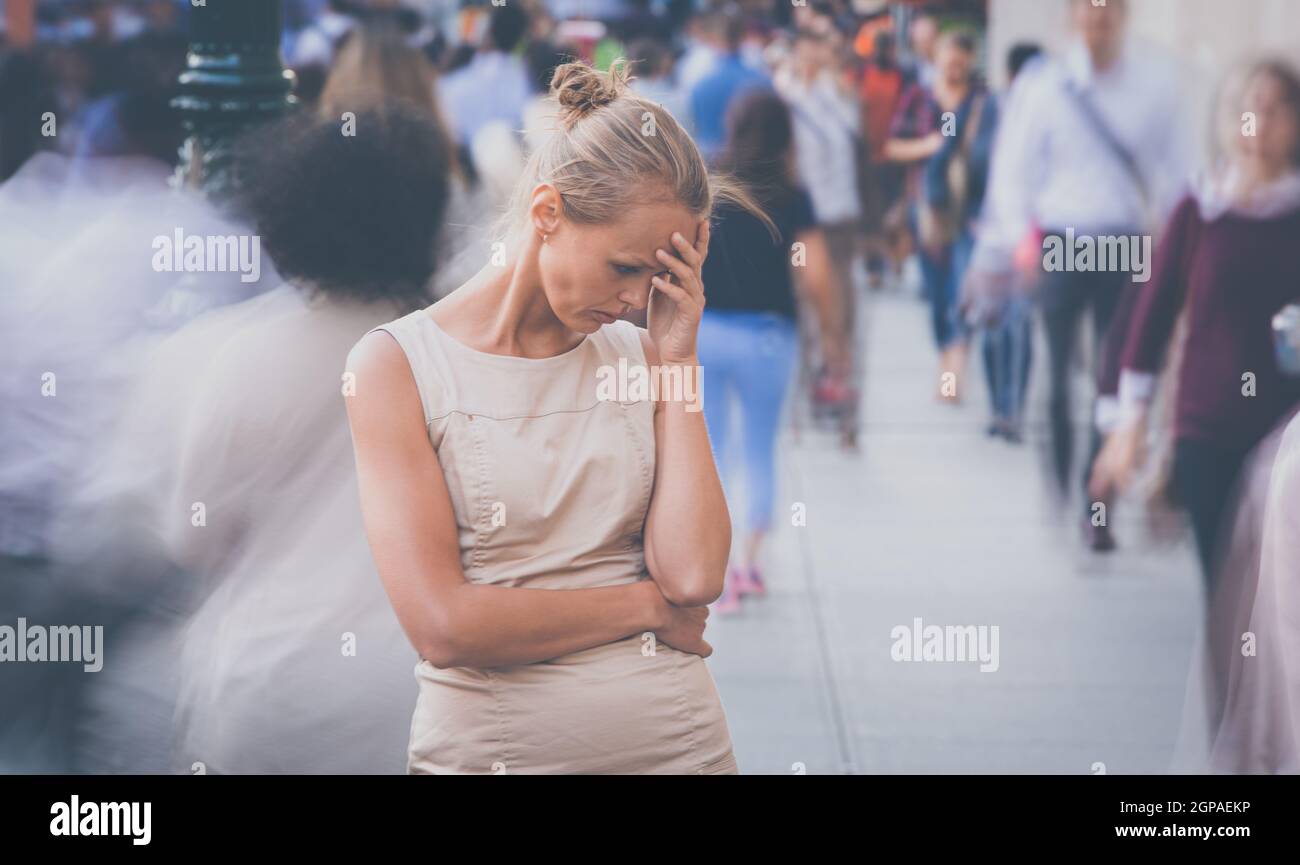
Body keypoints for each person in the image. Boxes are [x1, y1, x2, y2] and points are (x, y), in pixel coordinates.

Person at [345, 61, 759, 774]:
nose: (636, 300)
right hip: (491, 753)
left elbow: (692, 575)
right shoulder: (397, 366)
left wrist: (678, 361)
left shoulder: (643, 353)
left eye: (660, 277)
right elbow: (444, 625)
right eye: (626, 267)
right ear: (546, 213)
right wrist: (646, 609)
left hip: (681, 749)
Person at [964, 0, 1191, 549]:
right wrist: (1017, 238)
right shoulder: (1045, 85)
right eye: (1088, 10)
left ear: (1124, 15)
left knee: (1113, 373)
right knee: (1058, 368)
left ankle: (1098, 497)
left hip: (1126, 242)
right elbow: (1014, 170)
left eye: (1109, 9)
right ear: (1072, 18)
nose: (1099, 18)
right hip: (1061, 241)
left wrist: (1176, 245)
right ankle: (1062, 477)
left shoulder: (1155, 84)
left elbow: (1177, 173)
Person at [1091, 60, 1300, 585]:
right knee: (1227, 589)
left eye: (1274, 109)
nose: (1258, 120)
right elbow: (1153, 315)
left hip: (1287, 433)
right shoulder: (1200, 206)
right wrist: (1128, 420)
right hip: (1206, 427)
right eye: (1246, 108)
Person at [701, 90, 845, 613]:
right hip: (767, 336)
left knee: (712, 450)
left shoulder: (708, 184)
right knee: (760, 449)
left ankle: (712, 565)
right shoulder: (791, 195)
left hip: (706, 332)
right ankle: (748, 566)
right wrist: (832, 337)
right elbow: (816, 273)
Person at [886, 31, 991, 404]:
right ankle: (945, 357)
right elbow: (892, 146)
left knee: (961, 289)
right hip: (927, 209)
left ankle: (952, 373)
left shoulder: (982, 102)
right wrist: (928, 146)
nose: (955, 65)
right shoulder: (920, 98)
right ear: (938, 57)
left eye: (963, 58)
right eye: (950, 57)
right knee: (935, 291)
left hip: (972, 211)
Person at [688, 7, 768, 162]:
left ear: (715, 36)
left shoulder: (698, 81)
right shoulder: (761, 81)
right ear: (742, 36)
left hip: (712, 167)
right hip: (755, 165)